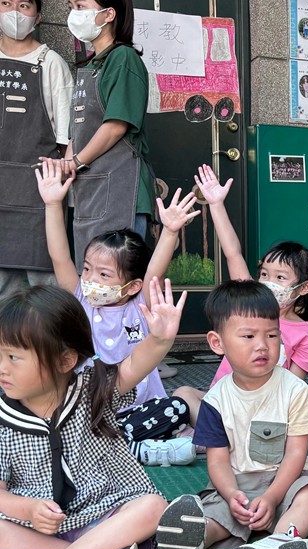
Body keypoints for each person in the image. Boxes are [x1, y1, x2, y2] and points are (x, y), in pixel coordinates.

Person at [0, 279, 183, 549]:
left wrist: (159, 339)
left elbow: (132, 366)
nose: (2, 368)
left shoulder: (92, 389)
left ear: (65, 361)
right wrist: (28, 509)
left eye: (14, 357)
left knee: (154, 507)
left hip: (103, 517)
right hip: (37, 530)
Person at [154, 281, 308, 549]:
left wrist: (273, 496)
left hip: (287, 480)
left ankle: (277, 546)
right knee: (220, 513)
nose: (262, 345)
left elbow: (296, 453)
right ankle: (193, 541)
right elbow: (218, 461)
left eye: (272, 335)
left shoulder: (296, 390)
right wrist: (231, 495)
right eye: (248, 336)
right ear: (217, 342)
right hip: (236, 483)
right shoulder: (215, 400)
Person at [35, 157, 198, 464]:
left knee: (180, 403)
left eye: (104, 275)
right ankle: (150, 447)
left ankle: (160, 444)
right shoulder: (80, 299)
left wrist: (170, 231)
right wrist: (53, 204)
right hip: (92, 415)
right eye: (87, 269)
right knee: (62, 423)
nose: (90, 279)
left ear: (133, 286)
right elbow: (59, 257)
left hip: (140, 412)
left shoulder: (141, 305)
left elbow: (155, 269)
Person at [174, 164, 308, 425]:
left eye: (280, 277)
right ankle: (220, 431)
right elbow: (232, 253)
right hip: (222, 401)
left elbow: (292, 389)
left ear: (304, 288)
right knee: (183, 393)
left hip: (263, 410)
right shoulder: (248, 302)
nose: (268, 282)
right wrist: (216, 205)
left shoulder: (307, 336)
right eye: (264, 274)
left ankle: (216, 434)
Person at [65, 0, 154, 263]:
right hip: (90, 191)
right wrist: (65, 165)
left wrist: (75, 162)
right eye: (71, 6)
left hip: (120, 192)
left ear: (109, 14)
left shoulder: (123, 58)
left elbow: (116, 126)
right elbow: (76, 132)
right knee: (91, 277)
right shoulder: (91, 65)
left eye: (80, 6)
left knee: (117, 277)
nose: (74, 14)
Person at [0, 0, 74, 299]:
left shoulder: (51, 62)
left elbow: (67, 137)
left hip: (37, 190)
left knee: (44, 292)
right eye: (5, 3)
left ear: (38, 16)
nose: (14, 13)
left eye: (24, 5)